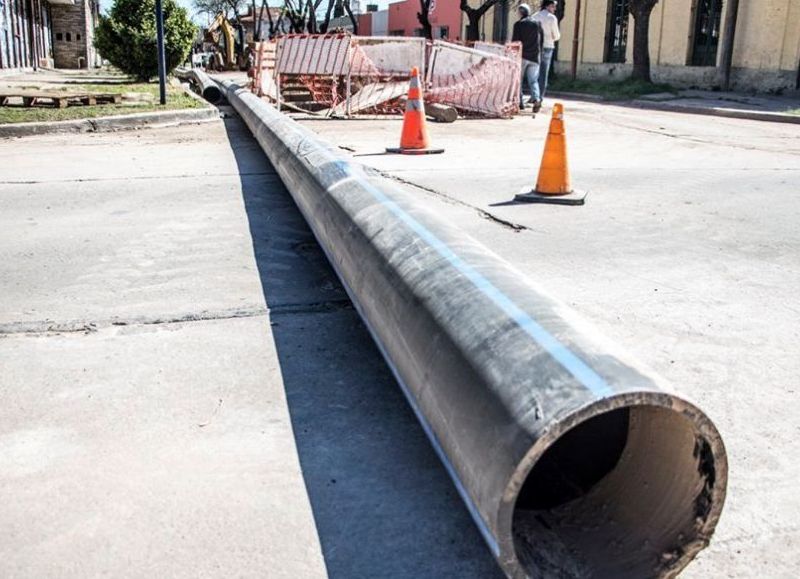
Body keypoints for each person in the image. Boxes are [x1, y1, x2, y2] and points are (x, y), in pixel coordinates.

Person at [512, 4, 545, 112]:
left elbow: (515, 42)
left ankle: (520, 102)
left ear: (521, 13)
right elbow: (541, 40)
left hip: (522, 56)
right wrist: (540, 53)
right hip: (535, 56)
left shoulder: (518, 24)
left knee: (519, 80)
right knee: (533, 80)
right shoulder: (537, 23)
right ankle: (536, 99)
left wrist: (513, 55)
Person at [533, 0, 561, 101]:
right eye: (553, 6)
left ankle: (533, 95)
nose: (554, 9)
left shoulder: (535, 16)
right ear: (548, 6)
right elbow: (557, 35)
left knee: (534, 72)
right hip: (548, 46)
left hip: (536, 46)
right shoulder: (552, 18)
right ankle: (540, 97)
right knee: (544, 73)